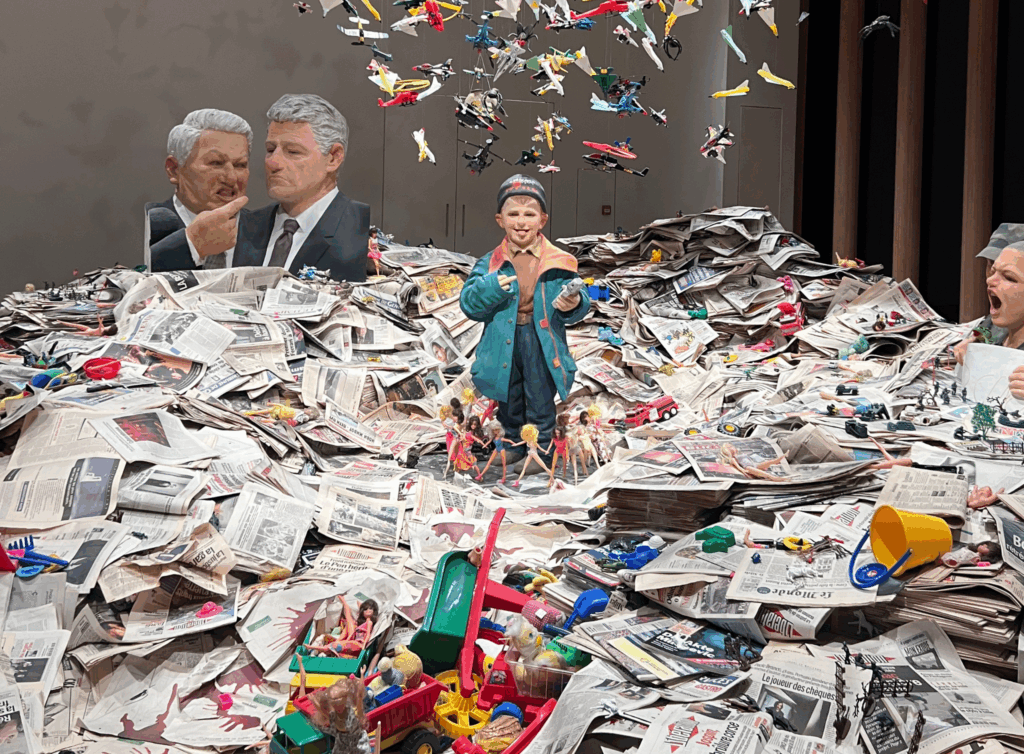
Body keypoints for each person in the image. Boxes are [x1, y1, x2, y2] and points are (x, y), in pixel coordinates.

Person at [459, 174, 591, 471]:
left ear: (542, 219)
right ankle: (512, 446)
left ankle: (542, 450)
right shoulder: (490, 263)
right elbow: (469, 304)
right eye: (513, 214)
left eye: (529, 214)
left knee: (539, 393)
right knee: (509, 393)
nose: (521, 222)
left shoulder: (560, 261)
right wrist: (491, 287)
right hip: (503, 340)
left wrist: (574, 303)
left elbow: (578, 304)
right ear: (499, 219)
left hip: (540, 339)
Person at [229, 94, 371, 281]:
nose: (273, 162)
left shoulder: (359, 232)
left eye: (293, 152)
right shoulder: (242, 227)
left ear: (333, 158)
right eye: (271, 149)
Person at [146, 108, 252, 272]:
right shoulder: (145, 227)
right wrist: (191, 245)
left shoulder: (267, 231)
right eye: (216, 163)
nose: (231, 178)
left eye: (240, 165)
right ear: (174, 169)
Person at [953, 223, 1024, 363]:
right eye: (991, 265)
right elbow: (987, 327)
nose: (991, 278)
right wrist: (973, 340)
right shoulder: (1002, 315)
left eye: (1008, 276)